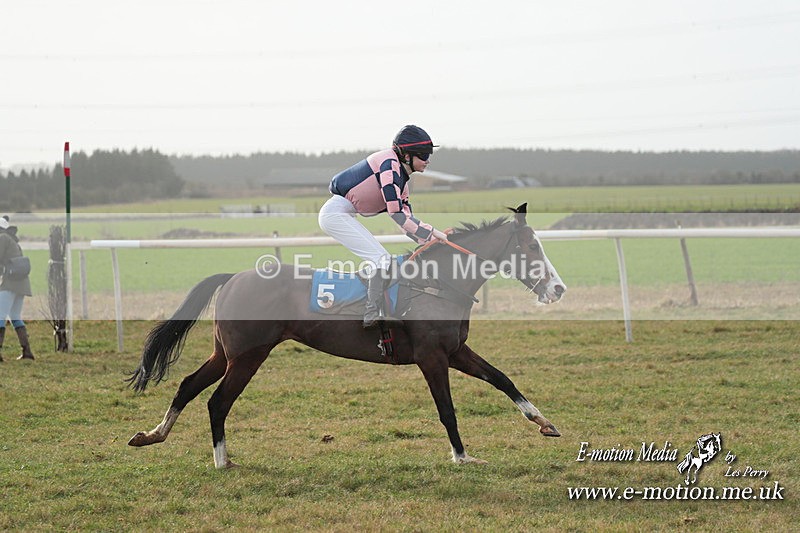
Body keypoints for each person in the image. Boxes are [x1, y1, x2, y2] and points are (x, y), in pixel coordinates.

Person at [319, 125, 448, 328]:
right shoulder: (389, 165)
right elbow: (396, 214)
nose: (427, 160)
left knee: (383, 260)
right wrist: (432, 232)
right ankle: (372, 313)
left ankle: (374, 309)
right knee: (381, 260)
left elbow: (406, 221)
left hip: (343, 213)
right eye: (423, 155)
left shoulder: (402, 181)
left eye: (428, 155)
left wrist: (429, 241)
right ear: (406, 154)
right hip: (335, 213)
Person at [0, 215, 35, 361]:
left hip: (10, 283)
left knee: (0, 315)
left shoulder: (2, 238)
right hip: (22, 284)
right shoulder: (13, 240)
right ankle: (27, 352)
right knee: (15, 316)